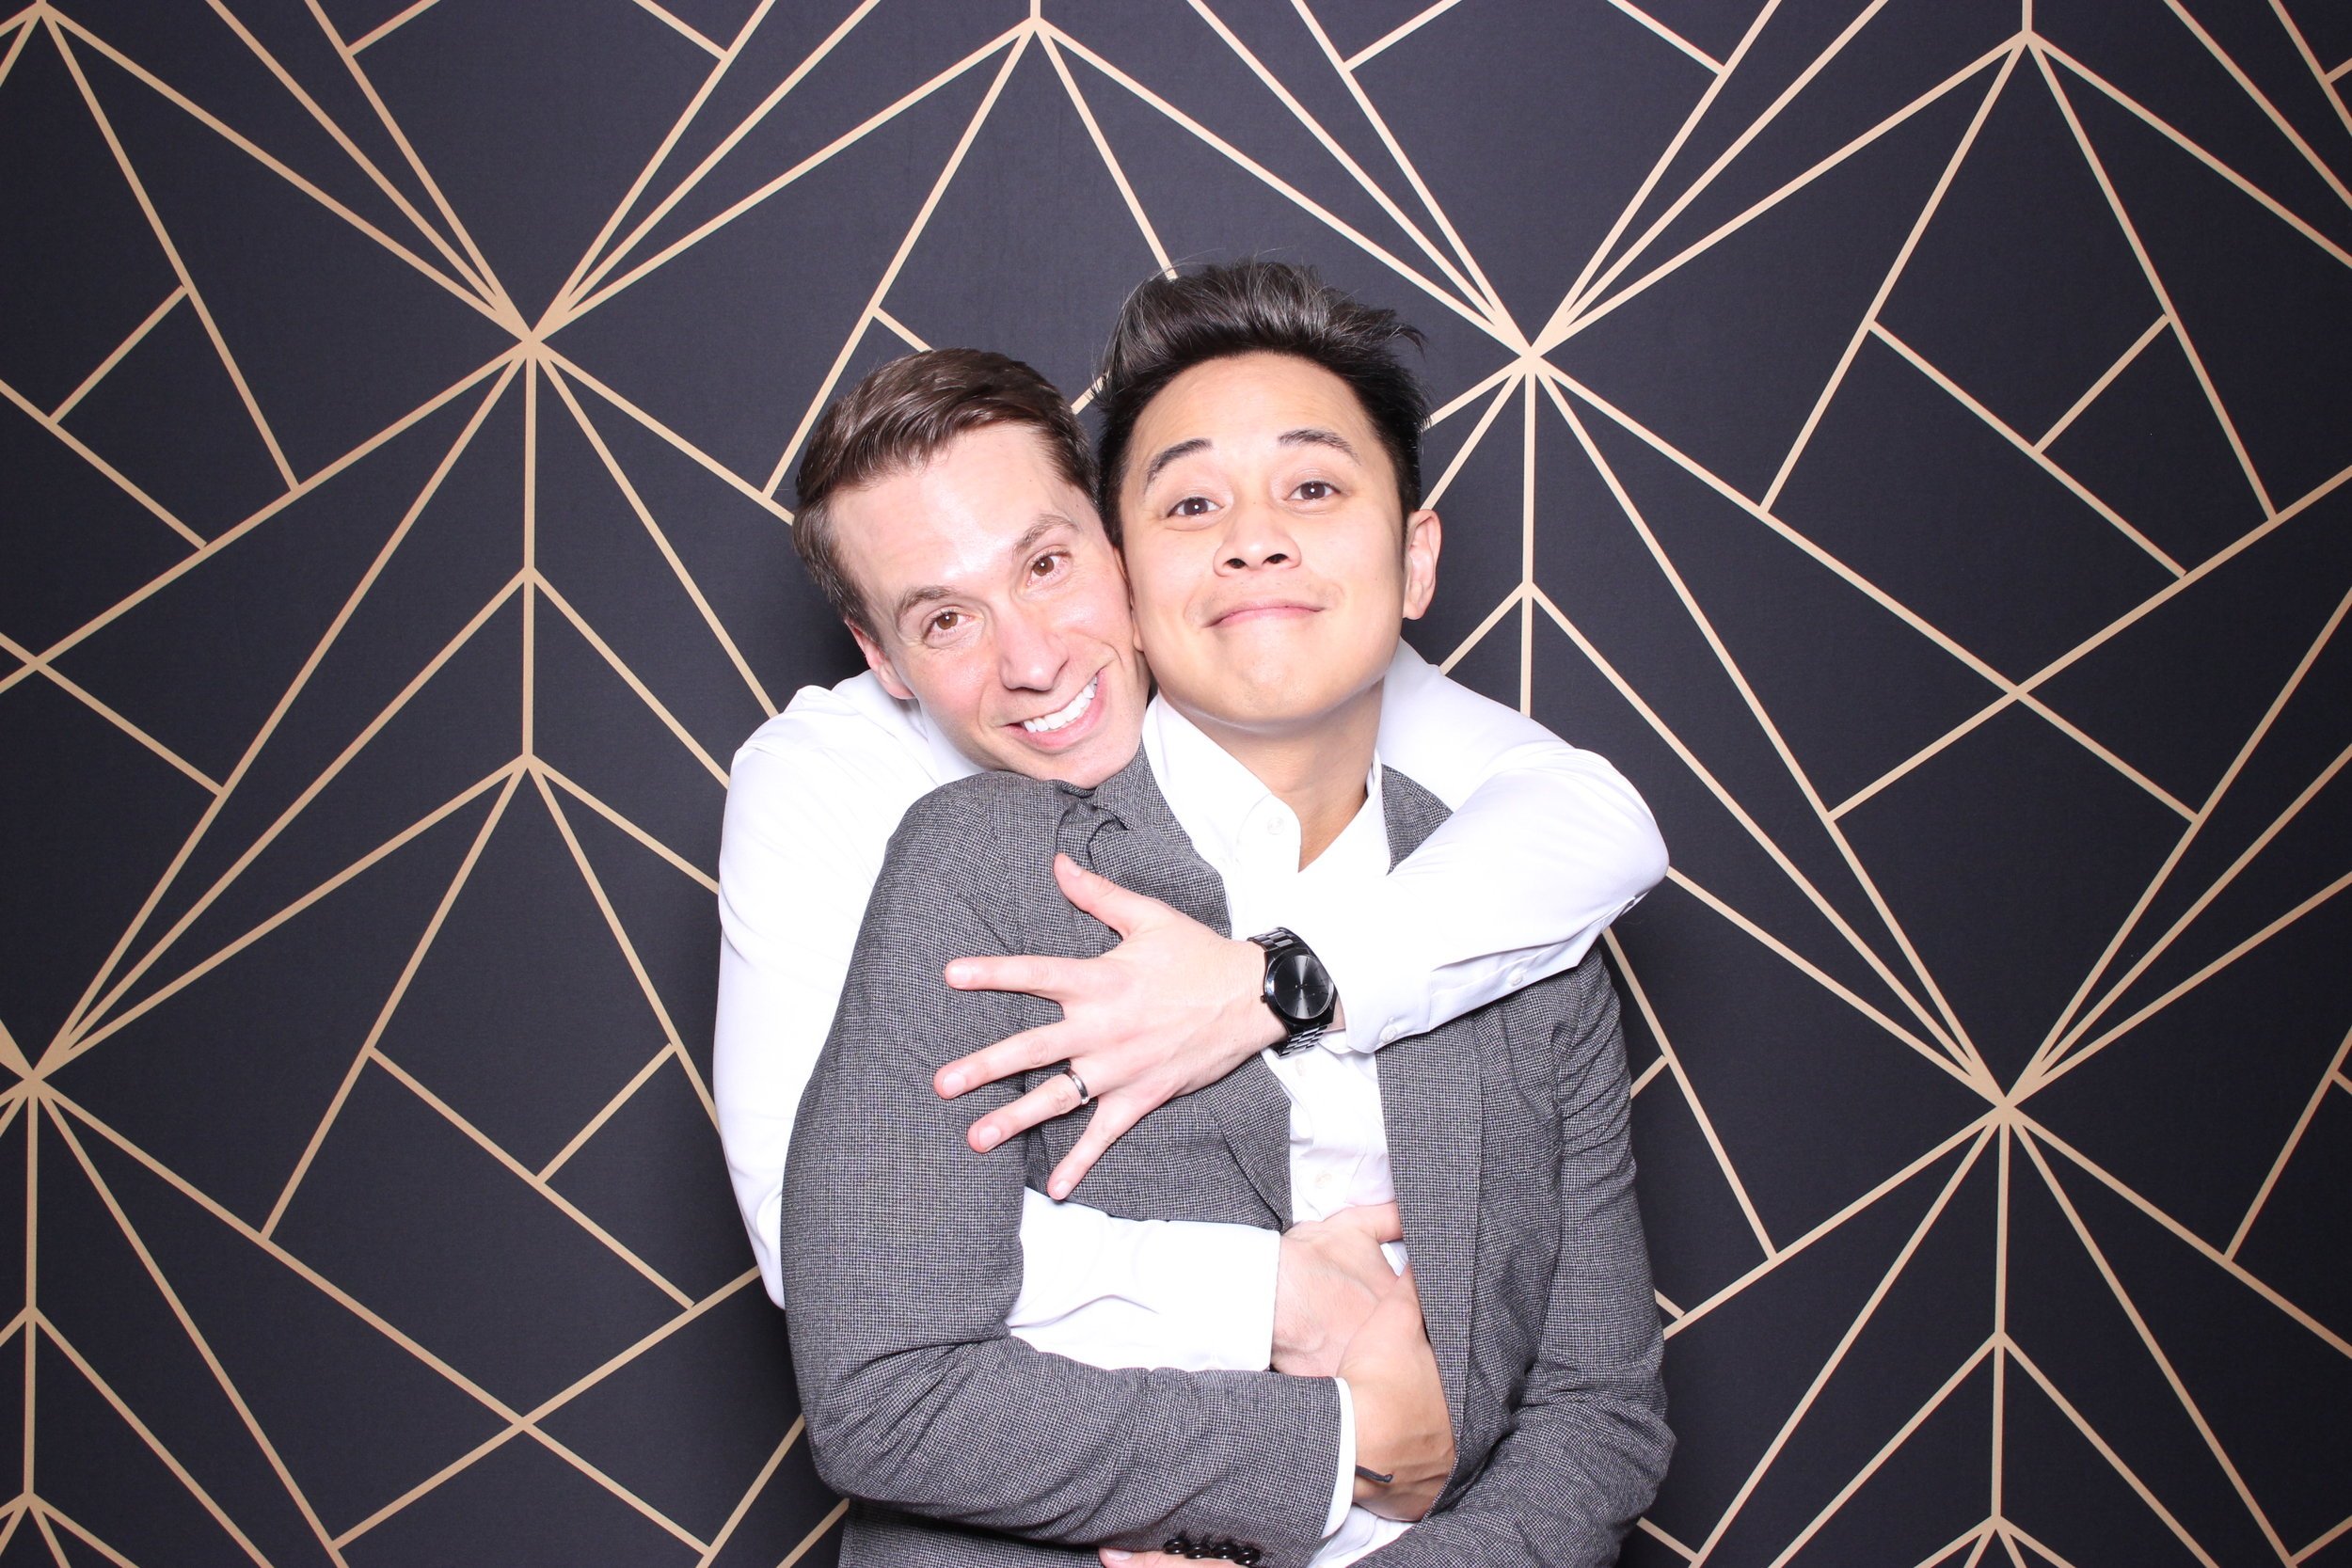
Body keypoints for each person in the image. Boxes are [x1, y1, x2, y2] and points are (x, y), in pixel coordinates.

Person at [781, 261, 1670, 1566]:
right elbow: (887, 1385)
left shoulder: (1521, 925)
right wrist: (1322, 1452)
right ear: (1129, 572)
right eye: (1193, 501)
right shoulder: (972, 859)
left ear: (1415, 559)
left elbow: (1598, 1421)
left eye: (1314, 487)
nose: (1257, 535)